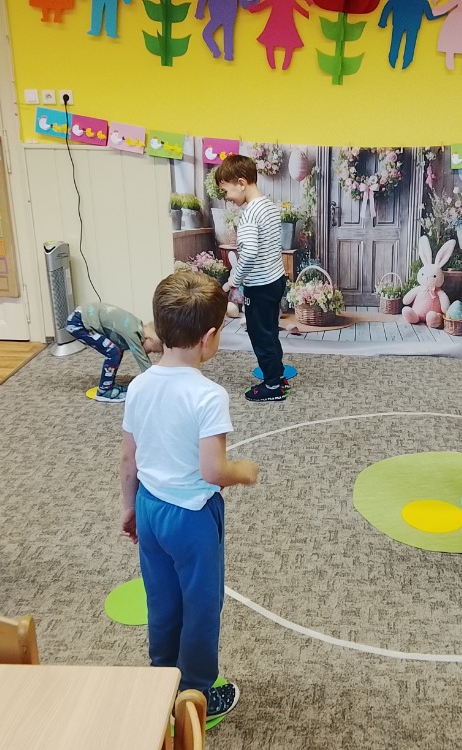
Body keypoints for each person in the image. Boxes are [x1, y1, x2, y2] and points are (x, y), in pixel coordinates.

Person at [120, 270, 260, 720]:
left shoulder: (139, 385)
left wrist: (129, 507)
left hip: (149, 507)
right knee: (201, 606)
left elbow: (129, 459)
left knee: (161, 601)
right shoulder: (208, 395)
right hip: (192, 518)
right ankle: (195, 694)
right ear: (210, 338)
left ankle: (161, 679)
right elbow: (213, 470)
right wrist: (243, 473)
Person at [215, 154, 288, 402]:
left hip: (260, 287)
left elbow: (248, 254)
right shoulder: (269, 206)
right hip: (275, 280)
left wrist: (232, 281)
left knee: (260, 335)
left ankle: (272, 386)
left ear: (241, 182)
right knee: (270, 332)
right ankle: (278, 376)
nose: (227, 198)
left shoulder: (249, 214)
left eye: (226, 191)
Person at [64, 302, 162, 403]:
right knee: (113, 352)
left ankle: (109, 384)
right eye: (151, 350)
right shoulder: (133, 334)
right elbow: (142, 360)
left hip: (80, 317)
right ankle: (104, 391)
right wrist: (157, 383)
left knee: (116, 350)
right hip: (78, 323)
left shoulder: (136, 325)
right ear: (148, 338)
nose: (149, 353)